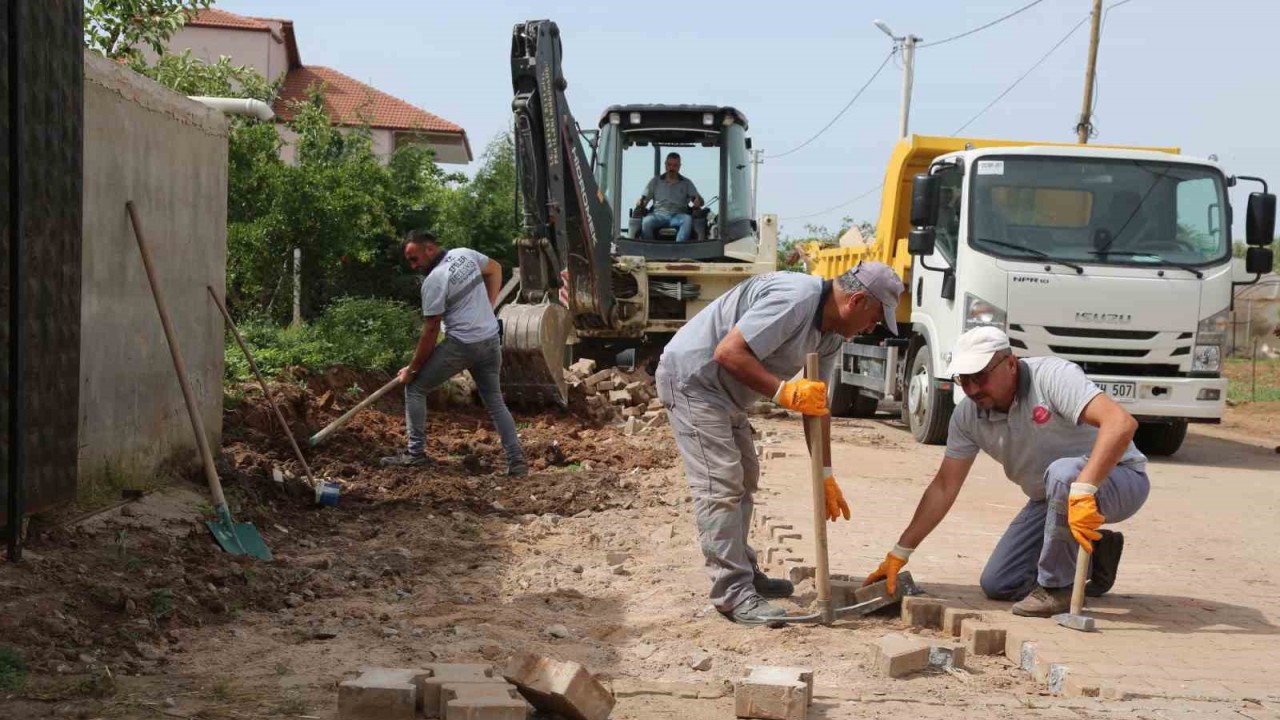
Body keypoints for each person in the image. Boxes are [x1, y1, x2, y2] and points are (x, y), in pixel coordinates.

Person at [655, 262, 905, 624]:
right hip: (694, 381)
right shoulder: (796, 299)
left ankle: (744, 572)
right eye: (874, 318)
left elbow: (816, 405)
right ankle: (732, 593)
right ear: (858, 300)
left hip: (726, 394)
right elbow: (728, 352)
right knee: (721, 482)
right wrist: (783, 391)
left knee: (745, 477)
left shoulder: (831, 333)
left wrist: (826, 474)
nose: (871, 328)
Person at [862, 327, 1150, 617]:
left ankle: (1057, 589)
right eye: (964, 380)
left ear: (1010, 363)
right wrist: (900, 552)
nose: (972, 389)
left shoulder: (1052, 378)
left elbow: (1121, 423)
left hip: (1117, 479)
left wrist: (1086, 488)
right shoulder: (967, 416)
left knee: (1063, 473)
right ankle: (1095, 554)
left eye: (980, 377)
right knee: (999, 582)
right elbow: (944, 486)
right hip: (1052, 499)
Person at [381, 229, 527, 477]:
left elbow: (430, 330)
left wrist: (412, 370)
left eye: (414, 258)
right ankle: (517, 463)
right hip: (490, 340)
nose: (413, 265)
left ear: (429, 249)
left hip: (462, 345)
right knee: (495, 402)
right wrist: (488, 309)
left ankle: (415, 454)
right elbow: (495, 269)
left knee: (415, 388)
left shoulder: (435, 280)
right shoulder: (465, 254)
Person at [637, 152, 703, 242]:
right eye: (669, 165)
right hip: (659, 215)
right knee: (646, 222)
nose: (671, 168)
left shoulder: (686, 183)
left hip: (678, 215)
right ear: (665, 165)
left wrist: (698, 201)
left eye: (675, 165)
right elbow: (644, 200)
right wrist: (640, 202)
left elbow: (698, 200)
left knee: (687, 219)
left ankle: (679, 248)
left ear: (679, 166)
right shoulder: (655, 181)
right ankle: (650, 248)